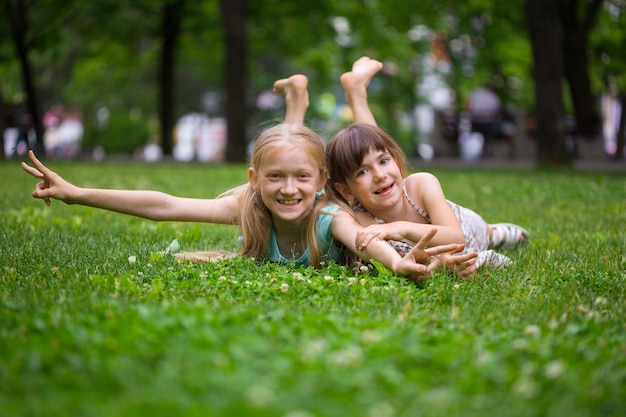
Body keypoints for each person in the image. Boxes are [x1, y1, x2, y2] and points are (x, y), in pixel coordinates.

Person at [21, 77, 467, 281]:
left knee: (496, 237)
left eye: (300, 178)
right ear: (254, 180)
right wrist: (76, 194)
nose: (288, 189)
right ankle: (300, 100)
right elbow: (164, 205)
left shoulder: (332, 216)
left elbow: (373, 245)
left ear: (320, 182)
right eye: (275, 178)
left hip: (448, 223)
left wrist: (401, 266)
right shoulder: (251, 208)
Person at [324, 57, 529, 271]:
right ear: (346, 190)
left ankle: (496, 233)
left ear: (396, 161)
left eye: (385, 161)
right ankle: (357, 93)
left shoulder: (421, 184)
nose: (379, 175)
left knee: (486, 233)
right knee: (368, 147)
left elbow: (455, 236)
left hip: (469, 230)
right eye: (362, 172)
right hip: (444, 256)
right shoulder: (362, 219)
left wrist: (401, 228)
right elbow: (399, 261)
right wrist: (439, 264)